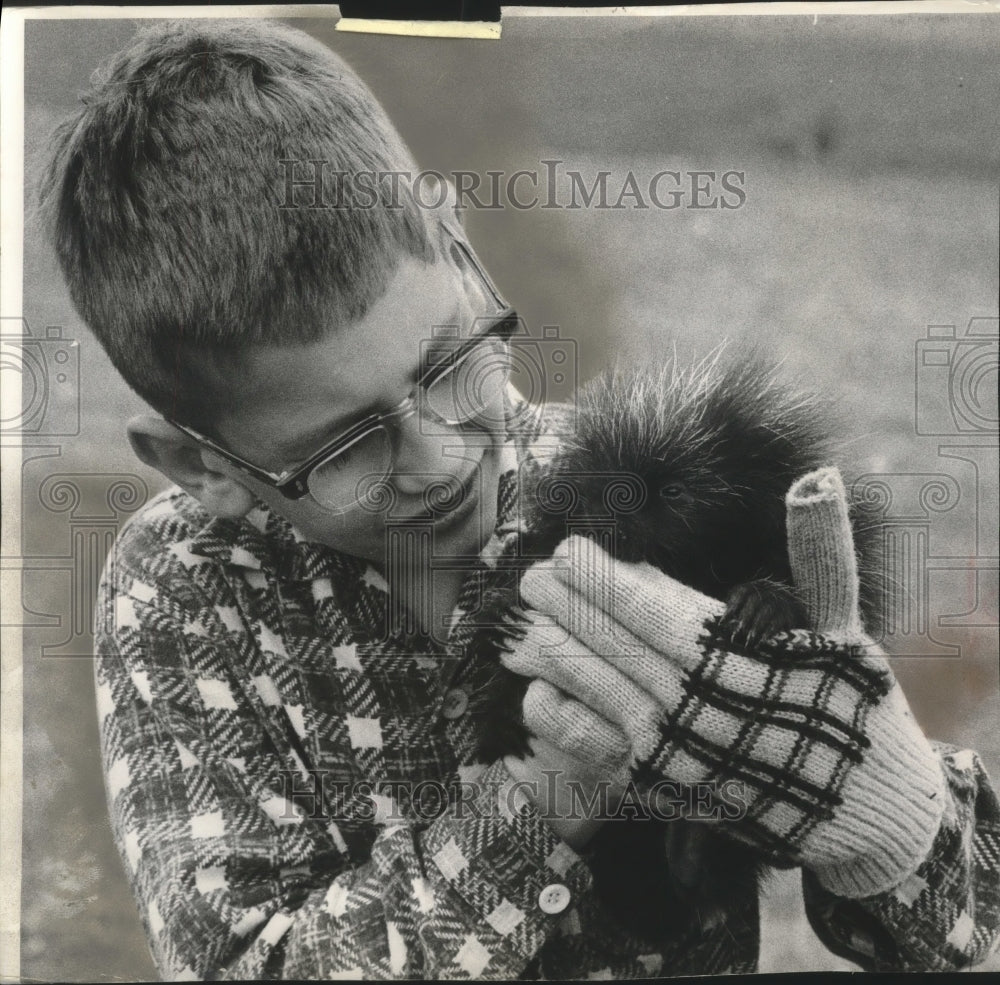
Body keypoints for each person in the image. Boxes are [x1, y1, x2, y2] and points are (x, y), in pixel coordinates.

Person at [39, 19, 999, 979]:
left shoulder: (640, 495)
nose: (444, 457)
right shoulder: (183, 590)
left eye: (451, 362)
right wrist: (540, 800)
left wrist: (889, 817)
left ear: (458, 246)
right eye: (345, 445)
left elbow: (970, 929)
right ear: (201, 465)